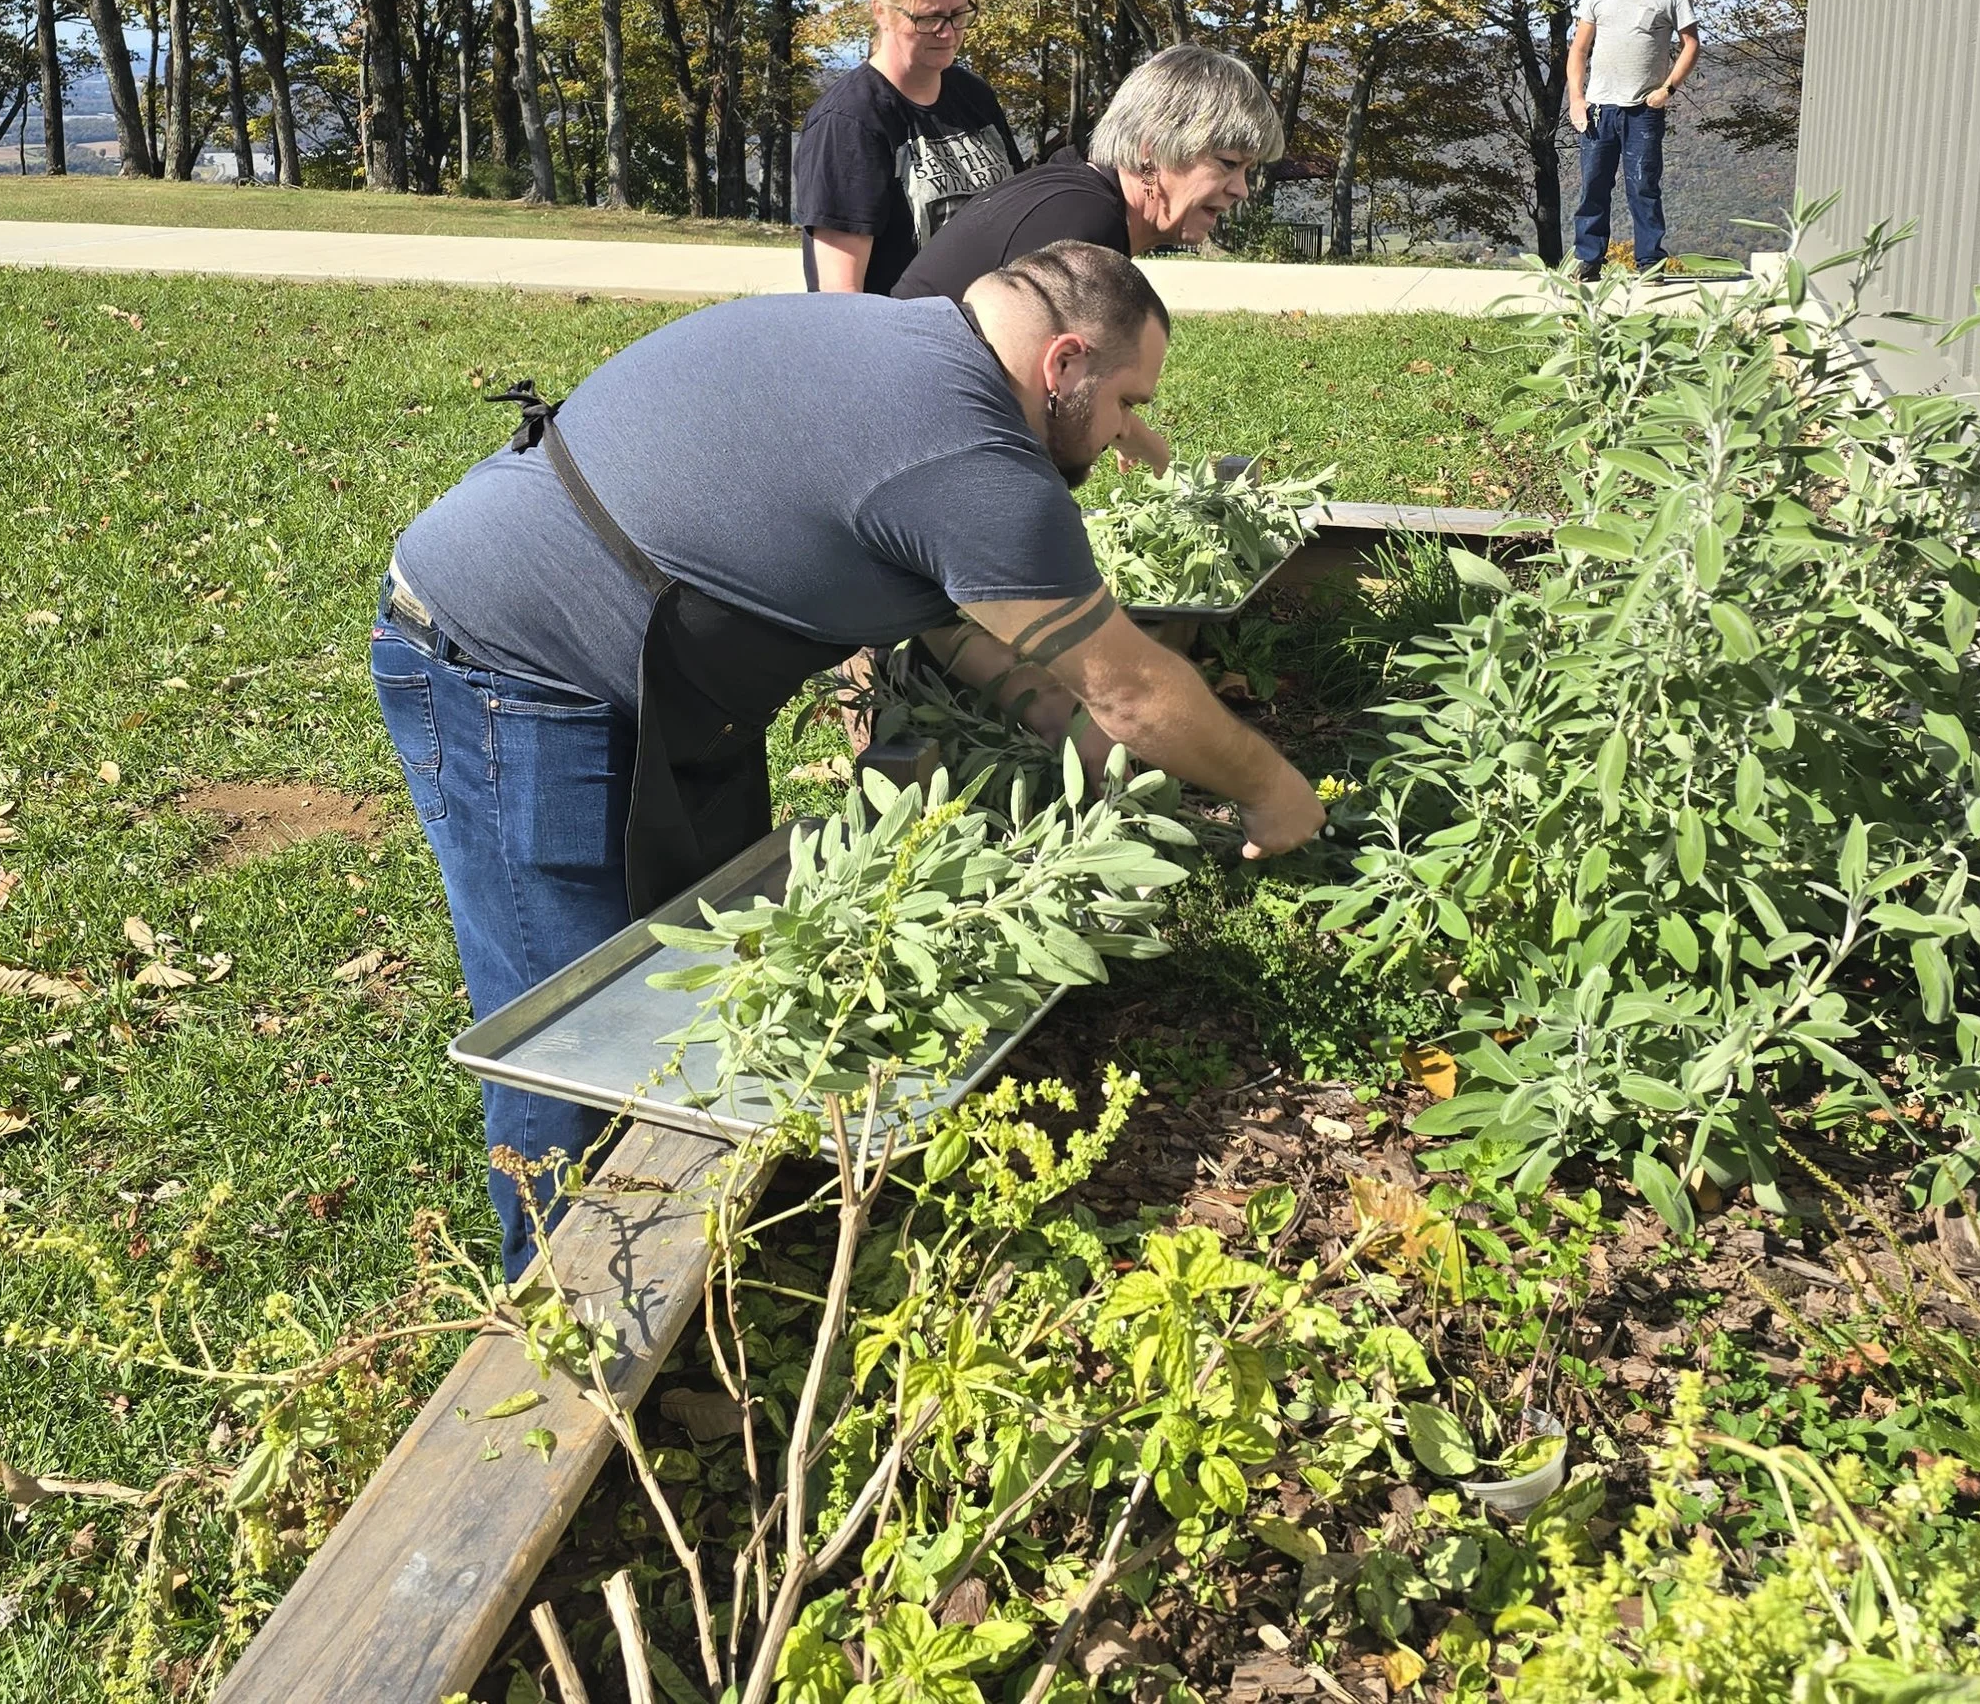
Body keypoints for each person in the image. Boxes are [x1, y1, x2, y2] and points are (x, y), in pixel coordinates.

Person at [372, 242, 1326, 1271]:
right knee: (576, 1025)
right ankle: (567, 1318)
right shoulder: (970, 453)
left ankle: (707, 1252)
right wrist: (1273, 792)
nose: (1137, 437)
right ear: (1062, 364)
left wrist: (1088, 758)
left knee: (705, 956)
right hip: (510, 665)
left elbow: (972, 633)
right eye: (1128, 400)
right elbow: (1130, 684)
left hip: (650, 669)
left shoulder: (916, 352)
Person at [891, 43, 1282, 299]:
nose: (1241, 190)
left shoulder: (1078, 193)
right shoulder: (1082, 223)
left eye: (1247, 170)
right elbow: (1043, 401)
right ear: (1152, 152)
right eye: (1228, 163)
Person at [795, 0, 1022, 293]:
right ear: (881, 11)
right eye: (929, 18)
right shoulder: (848, 123)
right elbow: (840, 299)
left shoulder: (974, 96)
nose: (948, 33)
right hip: (902, 344)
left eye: (959, 15)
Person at [1567, 0, 1701, 281]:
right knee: (1593, 185)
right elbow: (1579, 50)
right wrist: (1577, 100)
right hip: (1598, 108)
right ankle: (1590, 260)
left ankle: (1649, 264)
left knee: (1643, 185)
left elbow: (1691, 44)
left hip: (1644, 109)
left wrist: (1668, 89)